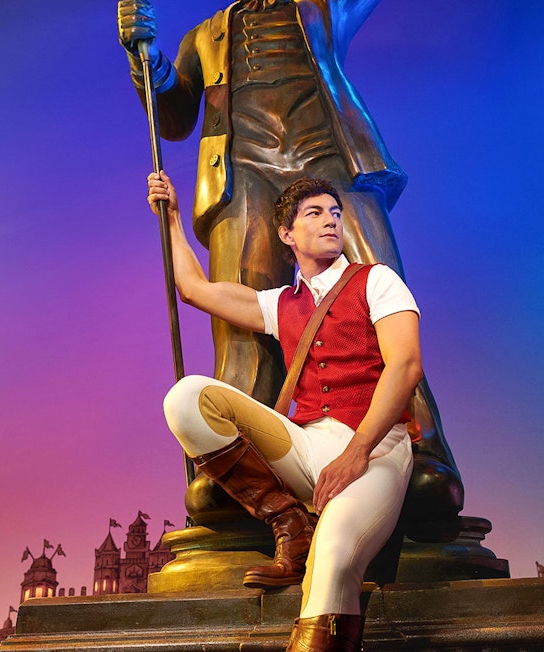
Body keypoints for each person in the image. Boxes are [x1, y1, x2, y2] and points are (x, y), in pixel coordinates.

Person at [118, 0, 463, 534]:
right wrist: (151, 64)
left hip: (331, 162)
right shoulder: (205, 37)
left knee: (380, 301)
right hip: (242, 171)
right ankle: (241, 469)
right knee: (239, 333)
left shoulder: (323, 6)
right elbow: (177, 117)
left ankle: (423, 450)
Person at [147, 169, 420, 650]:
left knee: (334, 559)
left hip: (376, 450)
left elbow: (406, 367)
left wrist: (357, 454)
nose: (331, 221)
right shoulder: (282, 304)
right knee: (187, 397)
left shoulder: (378, 281)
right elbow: (193, 290)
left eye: (335, 213)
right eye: (314, 214)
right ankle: (289, 522)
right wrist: (170, 217)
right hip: (306, 445)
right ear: (286, 234)